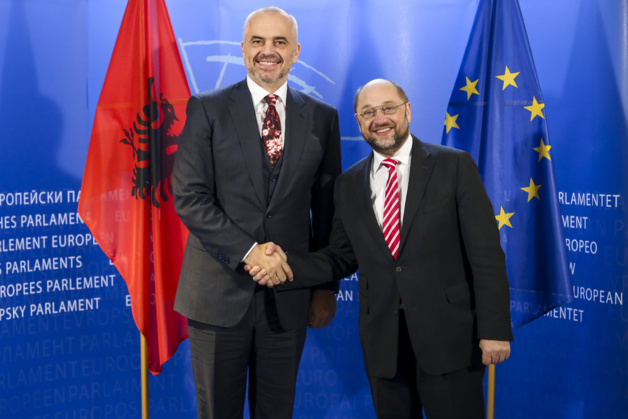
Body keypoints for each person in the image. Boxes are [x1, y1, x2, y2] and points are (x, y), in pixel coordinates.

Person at [249, 79, 513, 419]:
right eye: (369, 112)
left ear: (408, 111)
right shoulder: (348, 185)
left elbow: (486, 255)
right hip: (384, 345)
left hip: (450, 340)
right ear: (359, 122)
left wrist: (494, 331)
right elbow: (341, 256)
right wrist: (285, 267)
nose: (380, 118)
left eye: (388, 108)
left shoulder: (454, 166)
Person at [171, 6, 341, 419]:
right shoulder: (207, 108)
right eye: (258, 42)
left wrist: (324, 288)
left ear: (296, 52)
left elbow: (329, 210)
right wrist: (250, 252)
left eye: (279, 42)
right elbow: (189, 196)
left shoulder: (322, 118)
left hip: (289, 299)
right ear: (243, 49)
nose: (269, 51)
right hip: (216, 298)